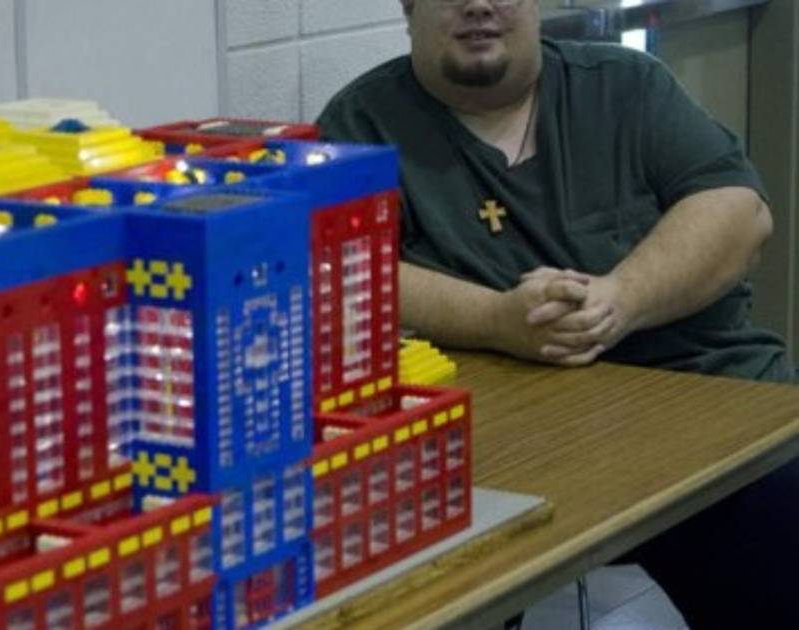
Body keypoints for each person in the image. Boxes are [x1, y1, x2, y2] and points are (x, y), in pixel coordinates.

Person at [317, 0, 797, 627]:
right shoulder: (361, 125)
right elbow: (334, 269)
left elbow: (740, 213)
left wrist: (620, 298)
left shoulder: (627, 85)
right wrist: (494, 319)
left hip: (710, 404)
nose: (478, 5)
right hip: (506, 447)